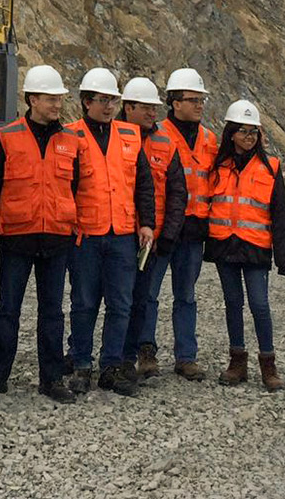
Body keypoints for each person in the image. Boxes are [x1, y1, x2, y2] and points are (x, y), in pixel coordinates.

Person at [0, 64, 85, 404]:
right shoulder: (6, 137)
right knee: (8, 309)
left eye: (59, 99)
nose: (57, 106)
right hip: (17, 238)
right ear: (32, 99)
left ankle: (51, 379)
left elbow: (77, 186)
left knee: (52, 311)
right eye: (51, 99)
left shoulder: (71, 141)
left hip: (56, 238)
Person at [64, 67, 155, 396]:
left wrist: (146, 223)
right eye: (102, 100)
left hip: (122, 234)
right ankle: (82, 365)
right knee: (84, 302)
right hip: (85, 234)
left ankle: (111, 366)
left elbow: (143, 183)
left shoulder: (130, 136)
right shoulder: (70, 136)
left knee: (121, 303)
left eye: (113, 100)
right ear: (86, 102)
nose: (108, 106)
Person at [206, 99, 285, 391]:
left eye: (253, 132)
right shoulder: (218, 166)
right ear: (231, 133)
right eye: (243, 131)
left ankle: (268, 366)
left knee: (259, 305)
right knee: (233, 304)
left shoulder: (270, 168)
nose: (249, 137)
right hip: (224, 247)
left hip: (255, 248)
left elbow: (281, 214)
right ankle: (237, 363)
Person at [118, 76, 186, 380]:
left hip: (150, 240)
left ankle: (139, 353)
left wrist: (167, 234)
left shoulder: (164, 143)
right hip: (115, 234)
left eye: (154, 107)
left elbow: (177, 192)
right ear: (128, 107)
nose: (152, 113)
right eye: (145, 107)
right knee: (100, 299)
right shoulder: (110, 136)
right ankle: (94, 355)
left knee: (143, 300)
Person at [155, 67, 220, 380]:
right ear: (174, 102)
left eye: (201, 100)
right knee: (148, 295)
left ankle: (186, 357)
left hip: (193, 232)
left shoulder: (209, 139)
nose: (199, 105)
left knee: (186, 296)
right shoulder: (158, 135)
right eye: (193, 99)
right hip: (160, 230)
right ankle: (145, 353)